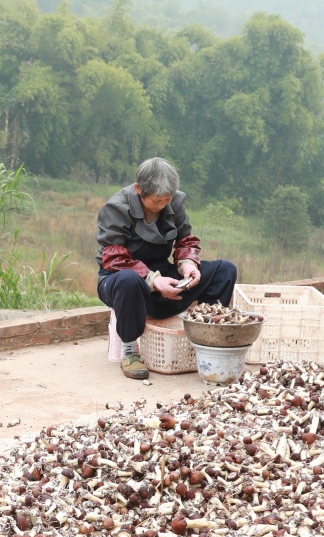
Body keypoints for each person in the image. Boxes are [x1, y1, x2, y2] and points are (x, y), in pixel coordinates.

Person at [96, 157, 239, 380]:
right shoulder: (116, 207)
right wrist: (153, 281)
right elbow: (114, 257)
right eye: (156, 201)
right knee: (128, 280)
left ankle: (206, 336)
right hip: (121, 279)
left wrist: (188, 265)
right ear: (138, 189)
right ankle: (131, 352)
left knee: (225, 270)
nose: (163, 205)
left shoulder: (176, 202)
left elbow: (186, 240)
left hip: (164, 275)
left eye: (167, 199)